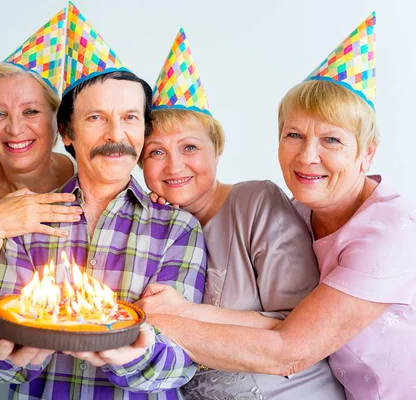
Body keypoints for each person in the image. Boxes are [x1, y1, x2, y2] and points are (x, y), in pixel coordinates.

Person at [144, 13, 416, 400]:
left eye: (332, 140)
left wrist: (146, 324)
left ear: (368, 153)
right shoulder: (302, 211)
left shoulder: (391, 231)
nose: (307, 157)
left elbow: (290, 350)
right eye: (294, 135)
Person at [0, 4, 207, 398]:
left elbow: (183, 360)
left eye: (130, 118)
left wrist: (131, 357)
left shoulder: (177, 227)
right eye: (97, 118)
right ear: (67, 131)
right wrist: (4, 355)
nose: (116, 134)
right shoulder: (29, 220)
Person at [137, 29, 344, 399]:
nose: (174, 165)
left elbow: (295, 328)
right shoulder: (154, 228)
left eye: (189, 147)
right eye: (155, 152)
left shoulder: (255, 202)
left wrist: (184, 314)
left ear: (217, 150)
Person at [0, 10, 81, 399]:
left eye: (31, 112)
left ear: (59, 122)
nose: (15, 129)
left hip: (84, 374)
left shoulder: (86, 171)